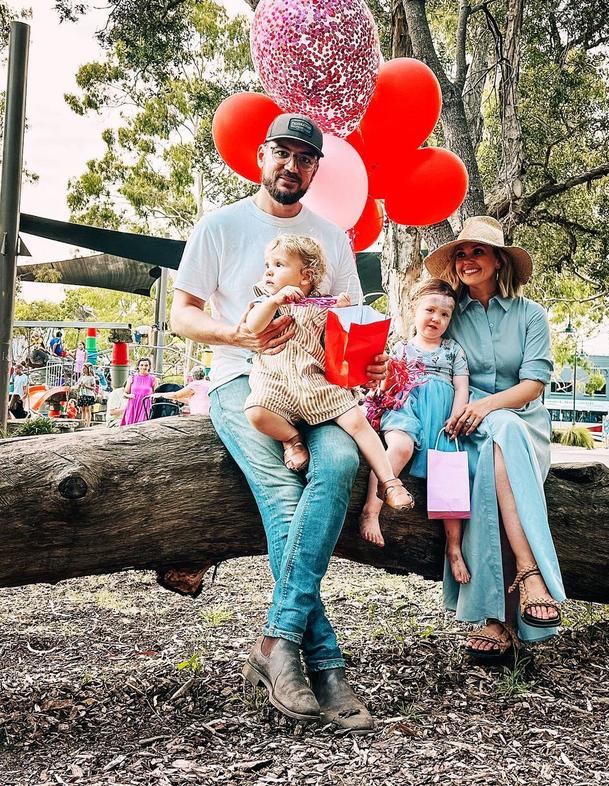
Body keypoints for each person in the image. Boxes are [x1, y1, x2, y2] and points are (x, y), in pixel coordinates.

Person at [171, 113, 385, 733]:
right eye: (281, 153)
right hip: (246, 380)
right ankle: (325, 662)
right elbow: (183, 314)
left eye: (304, 157)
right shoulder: (220, 225)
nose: (291, 165)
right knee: (281, 495)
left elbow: (350, 315)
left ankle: (276, 640)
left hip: (318, 383)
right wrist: (235, 331)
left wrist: (366, 367)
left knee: (342, 462)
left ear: (316, 168)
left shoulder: (331, 237)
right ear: (260, 157)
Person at [425, 216, 565, 662]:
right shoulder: (450, 314)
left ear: (498, 259)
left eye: (478, 251)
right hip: (462, 426)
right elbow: (424, 353)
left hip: (522, 422)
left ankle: (503, 604)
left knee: (499, 440)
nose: (468, 260)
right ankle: (524, 584)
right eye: (461, 253)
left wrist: (486, 406)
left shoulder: (531, 315)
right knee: (482, 455)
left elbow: (533, 383)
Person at [245, 233, 413, 508]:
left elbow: (340, 343)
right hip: (274, 380)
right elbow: (253, 326)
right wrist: (275, 300)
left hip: (314, 381)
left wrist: (343, 313)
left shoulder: (322, 305)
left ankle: (390, 481)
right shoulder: (265, 303)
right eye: (267, 265)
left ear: (305, 277)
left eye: (278, 264)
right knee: (256, 412)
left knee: (357, 421)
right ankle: (292, 439)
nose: (269, 271)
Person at [359, 278, 471, 580]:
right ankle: (372, 511)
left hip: (441, 418)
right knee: (399, 448)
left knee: (450, 477)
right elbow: (388, 382)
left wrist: (457, 414)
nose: (436, 318)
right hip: (405, 408)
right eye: (430, 310)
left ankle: (454, 547)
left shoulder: (453, 351)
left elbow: (462, 387)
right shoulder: (402, 348)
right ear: (415, 309)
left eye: (444, 314)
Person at [121, 357, 157, 425]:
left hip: (145, 406)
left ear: (149, 367)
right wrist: (129, 395)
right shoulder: (132, 377)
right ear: (138, 366)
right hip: (133, 406)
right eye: (141, 365)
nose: (144, 367)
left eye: (146, 365)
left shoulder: (153, 379)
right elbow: (124, 393)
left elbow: (157, 394)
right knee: (129, 427)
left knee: (142, 425)